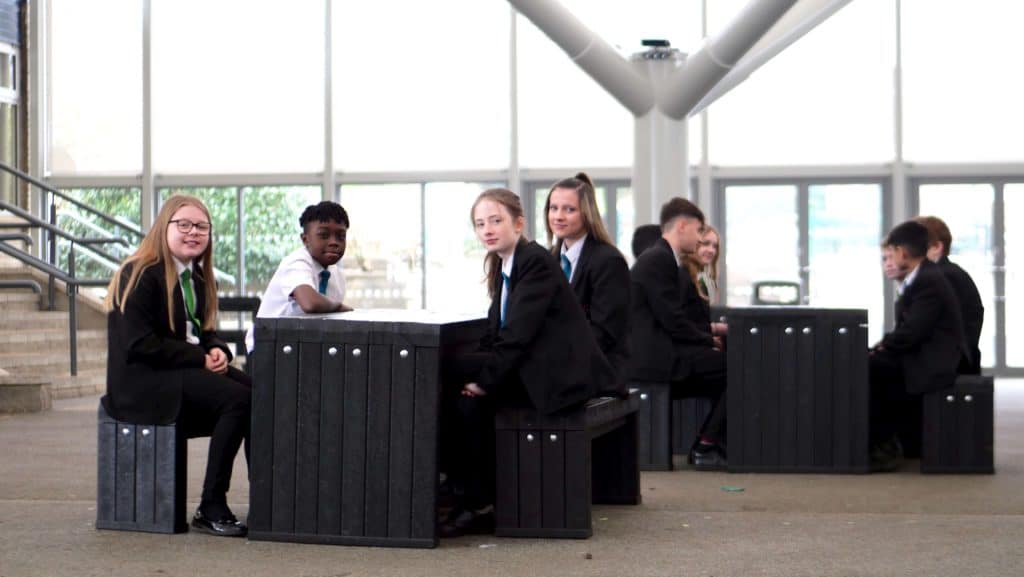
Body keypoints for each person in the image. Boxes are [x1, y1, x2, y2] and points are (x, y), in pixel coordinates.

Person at [440, 188, 616, 537]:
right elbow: (496, 332)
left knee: (459, 389)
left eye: (495, 220)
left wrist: (484, 381)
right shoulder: (503, 263)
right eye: (479, 224)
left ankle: (474, 498)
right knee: (453, 387)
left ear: (518, 223)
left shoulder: (534, 261)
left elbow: (519, 335)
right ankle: (467, 491)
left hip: (555, 377)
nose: (487, 229)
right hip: (529, 366)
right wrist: (480, 374)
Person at [102, 194, 251, 537]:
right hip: (143, 384)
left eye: (201, 226)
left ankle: (267, 496)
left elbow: (203, 332)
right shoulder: (139, 273)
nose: (193, 232)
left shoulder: (197, 278)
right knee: (238, 400)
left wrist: (218, 351)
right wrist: (199, 357)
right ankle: (211, 505)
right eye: (183, 224)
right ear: (163, 227)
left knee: (258, 392)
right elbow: (139, 344)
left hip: (179, 372)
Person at [628, 197, 727, 470]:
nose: (699, 240)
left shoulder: (662, 258)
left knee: (725, 372)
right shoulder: (659, 259)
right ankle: (706, 446)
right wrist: (709, 341)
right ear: (682, 226)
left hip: (659, 354)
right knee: (735, 370)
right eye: (698, 232)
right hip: (654, 360)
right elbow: (673, 320)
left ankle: (708, 443)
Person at [868, 220, 966, 471]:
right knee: (874, 364)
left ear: (902, 252)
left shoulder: (928, 280)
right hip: (924, 354)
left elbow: (912, 332)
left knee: (872, 370)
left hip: (933, 362)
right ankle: (883, 442)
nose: (888, 260)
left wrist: (883, 347)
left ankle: (882, 445)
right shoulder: (922, 277)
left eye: (891, 254)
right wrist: (884, 346)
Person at [544, 172, 630, 391]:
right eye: (553, 208)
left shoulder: (608, 260)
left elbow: (604, 333)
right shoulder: (547, 260)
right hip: (558, 367)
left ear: (587, 213)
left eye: (569, 209)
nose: (558, 216)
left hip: (597, 371)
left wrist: (557, 359)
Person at [244, 201, 353, 356]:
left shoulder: (338, 276)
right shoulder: (297, 262)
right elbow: (310, 303)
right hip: (268, 348)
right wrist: (340, 307)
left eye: (341, 236)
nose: (334, 242)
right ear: (305, 239)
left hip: (304, 348)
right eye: (324, 235)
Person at [915, 215, 984, 375]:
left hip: (950, 367)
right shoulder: (947, 272)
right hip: (951, 361)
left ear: (936, 247)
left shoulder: (944, 277)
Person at [693, 224, 727, 341]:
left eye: (715, 246)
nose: (711, 250)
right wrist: (716, 330)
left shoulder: (702, 280)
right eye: (706, 243)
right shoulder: (685, 277)